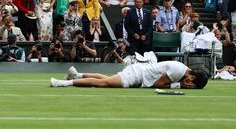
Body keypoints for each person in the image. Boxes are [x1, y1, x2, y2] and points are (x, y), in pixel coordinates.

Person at [50, 60, 208, 89]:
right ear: (192, 77)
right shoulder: (179, 71)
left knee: (106, 79)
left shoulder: (182, 69)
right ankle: (63, 83)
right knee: (102, 84)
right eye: (193, 83)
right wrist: (180, 85)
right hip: (136, 75)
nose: (190, 84)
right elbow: (157, 85)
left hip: (138, 72)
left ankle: (76, 75)